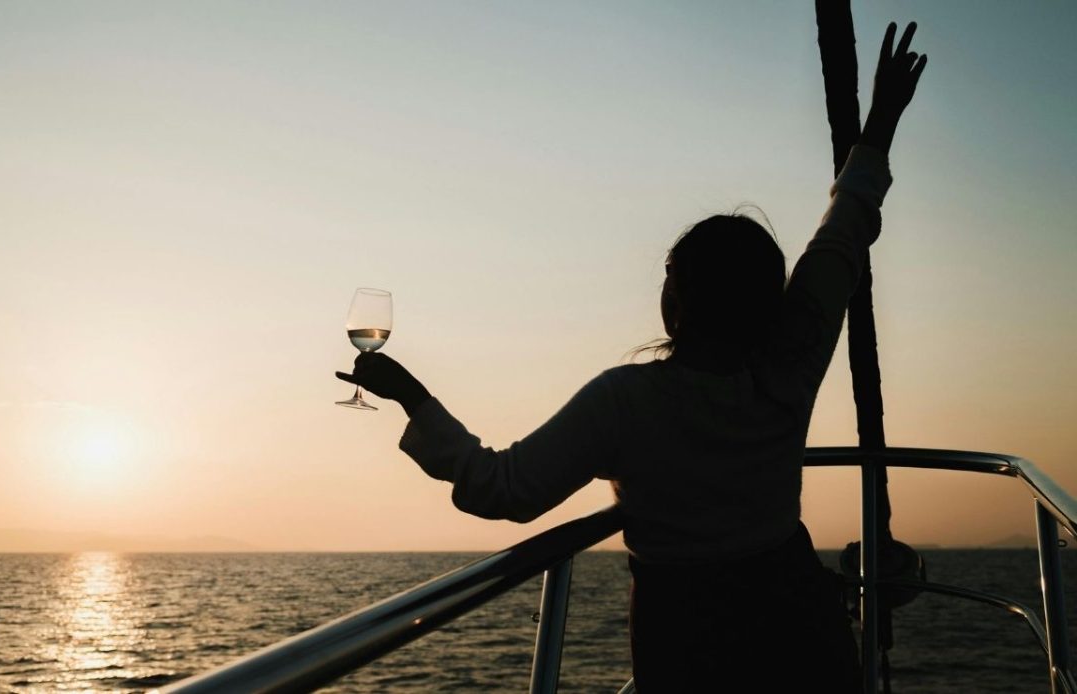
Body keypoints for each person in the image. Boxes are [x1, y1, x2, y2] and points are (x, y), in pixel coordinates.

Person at [336, 21, 927, 693]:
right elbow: (845, 230)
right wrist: (880, 118)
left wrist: (413, 395)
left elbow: (504, 490)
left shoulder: (626, 401)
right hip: (796, 624)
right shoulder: (791, 361)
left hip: (688, 639)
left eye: (671, 273)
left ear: (681, 301)